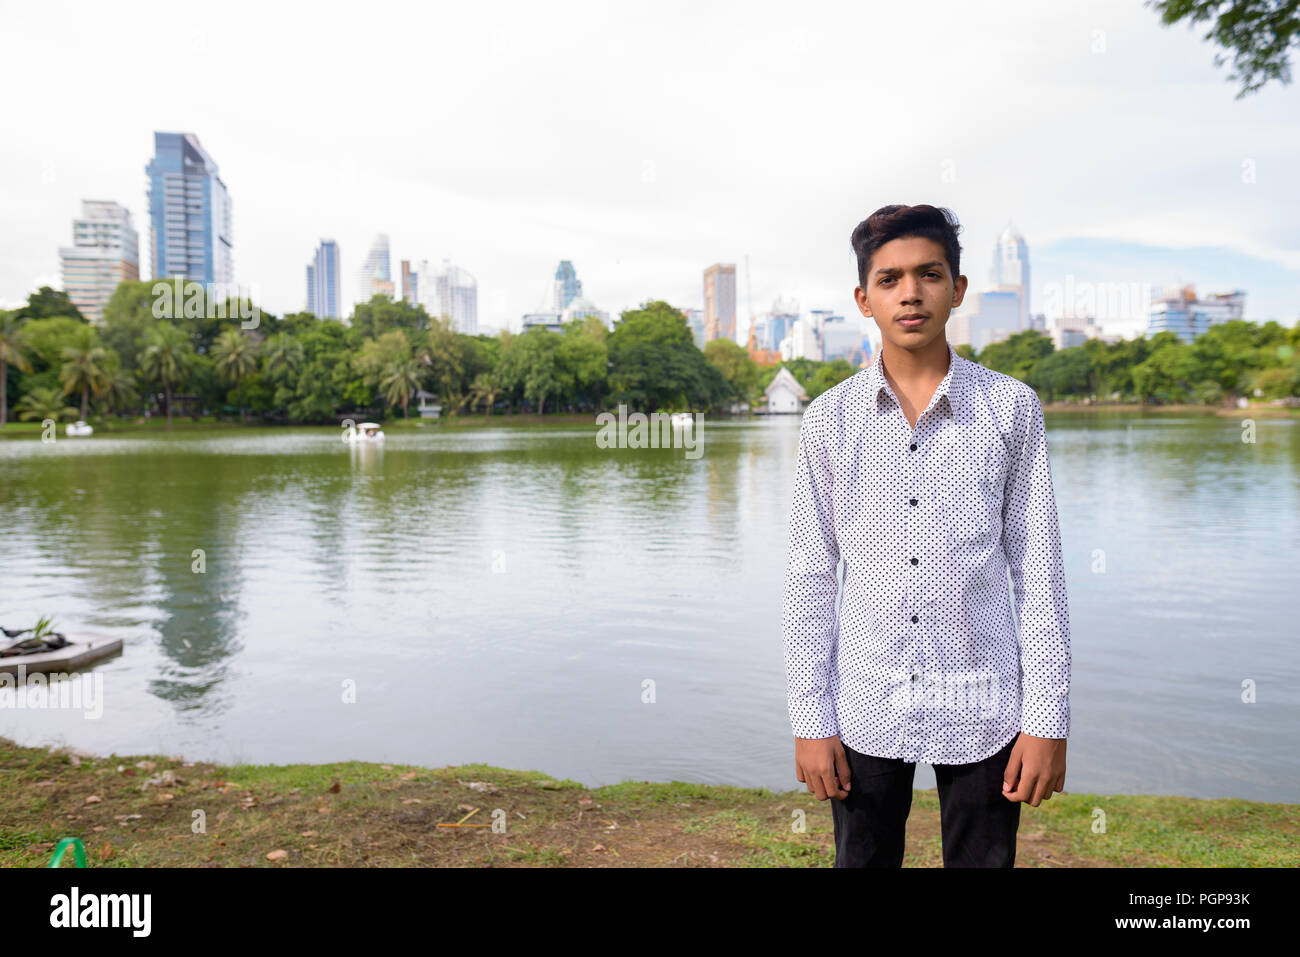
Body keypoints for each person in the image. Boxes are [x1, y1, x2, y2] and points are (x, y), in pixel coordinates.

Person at [781, 204, 1071, 867]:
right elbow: (810, 576)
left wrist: (1046, 717)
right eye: (889, 279)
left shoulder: (1010, 407)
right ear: (864, 298)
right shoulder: (829, 420)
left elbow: (1039, 568)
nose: (910, 292)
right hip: (864, 701)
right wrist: (811, 718)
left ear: (958, 288)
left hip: (986, 702)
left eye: (929, 273)